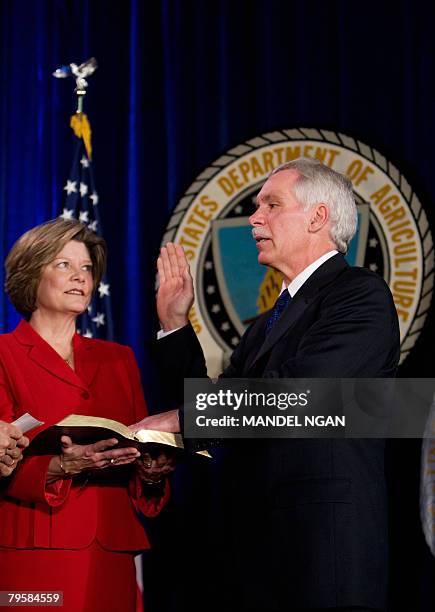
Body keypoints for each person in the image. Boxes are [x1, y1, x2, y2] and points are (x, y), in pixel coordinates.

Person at [144, 158, 400, 612]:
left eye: (271, 204)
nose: (254, 218)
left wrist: (183, 418)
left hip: (323, 555)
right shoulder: (264, 326)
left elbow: (302, 396)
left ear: (318, 217)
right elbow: (218, 414)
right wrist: (174, 323)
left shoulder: (359, 295)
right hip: (257, 556)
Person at [0, 218, 175, 612]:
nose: (79, 276)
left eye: (87, 268)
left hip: (112, 551)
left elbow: (140, 443)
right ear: (31, 273)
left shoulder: (120, 359)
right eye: (63, 265)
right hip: (34, 551)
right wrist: (59, 467)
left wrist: (150, 471)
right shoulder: (3, 354)